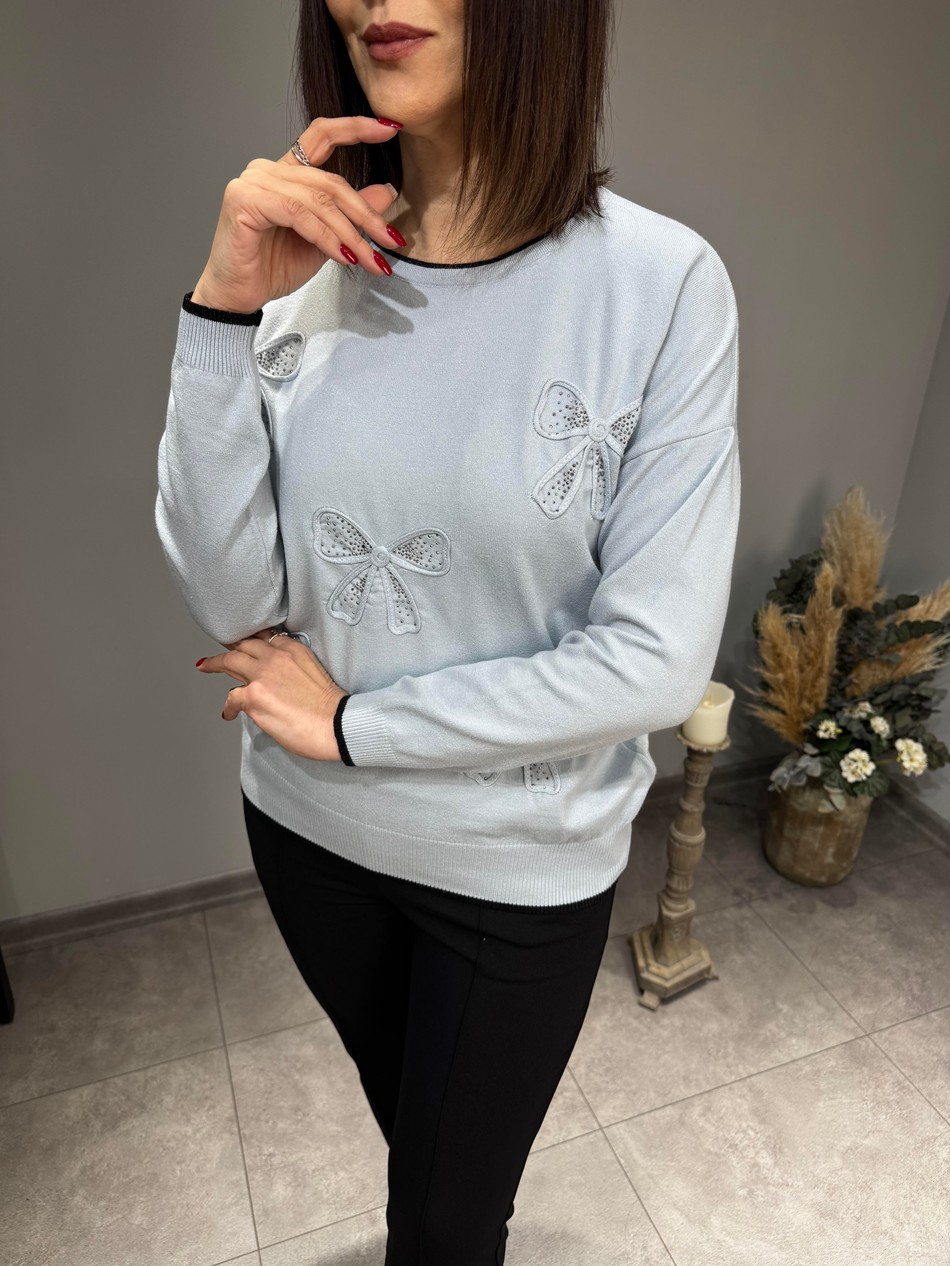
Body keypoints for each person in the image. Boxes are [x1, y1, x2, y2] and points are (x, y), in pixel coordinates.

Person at [154, 1, 741, 1260]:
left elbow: (651, 663)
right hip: (309, 831)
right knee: (419, 1150)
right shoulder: (304, 258)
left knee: (443, 1220)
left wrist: (360, 725)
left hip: (512, 865)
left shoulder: (659, 285)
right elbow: (230, 601)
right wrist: (220, 311)